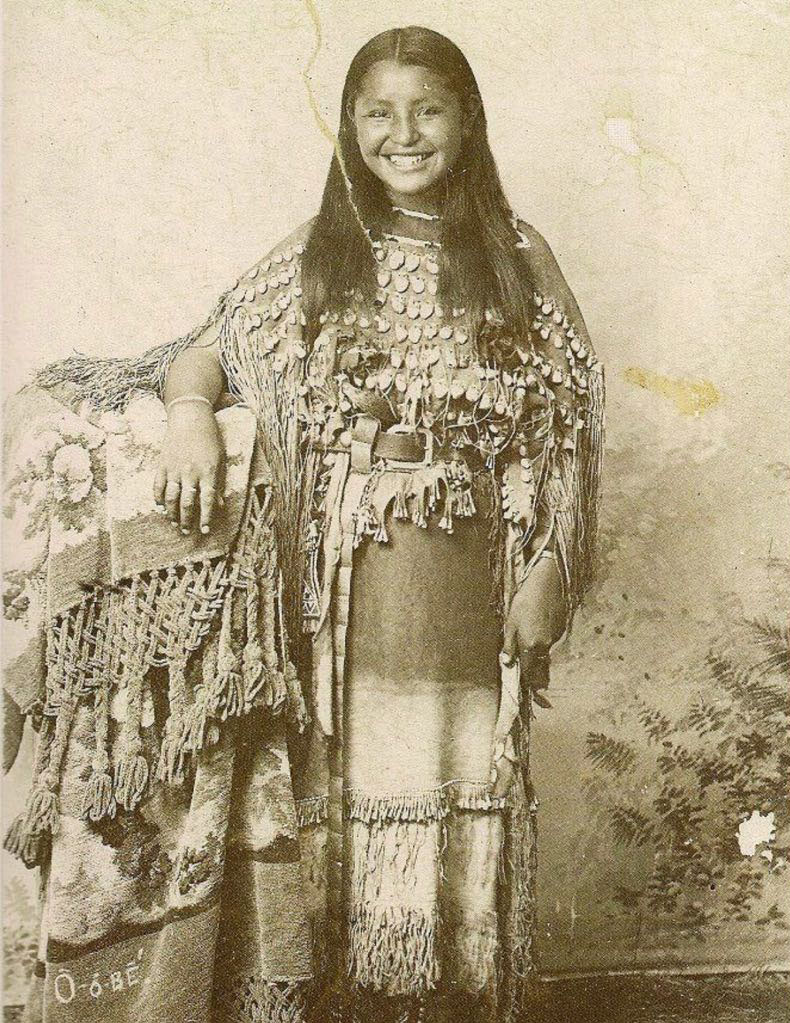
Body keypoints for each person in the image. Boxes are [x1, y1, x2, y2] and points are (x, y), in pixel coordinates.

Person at [4, 24, 603, 1023]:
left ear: (467, 119)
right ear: (348, 126)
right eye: (377, 112)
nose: (401, 133)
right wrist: (192, 416)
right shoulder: (319, 258)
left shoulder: (517, 259)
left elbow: (567, 437)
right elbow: (199, 352)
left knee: (454, 813)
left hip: (466, 590)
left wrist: (550, 569)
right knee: (337, 830)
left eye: (426, 109)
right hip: (337, 602)